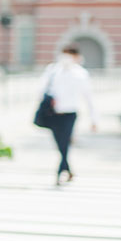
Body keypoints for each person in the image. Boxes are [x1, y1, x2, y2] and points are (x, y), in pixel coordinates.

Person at [39, 45, 98, 185]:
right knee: (60, 144)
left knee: (64, 143)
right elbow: (41, 89)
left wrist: (94, 119)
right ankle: (68, 169)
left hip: (70, 113)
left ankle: (59, 173)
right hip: (53, 113)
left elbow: (88, 97)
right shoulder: (52, 70)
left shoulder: (80, 73)